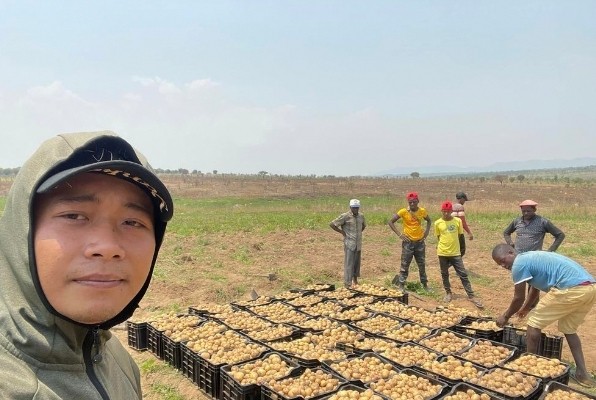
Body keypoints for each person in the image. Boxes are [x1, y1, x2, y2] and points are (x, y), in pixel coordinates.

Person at [0, 131, 174, 399]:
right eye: (74, 215)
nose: (108, 247)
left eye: (132, 222)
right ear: (23, 231)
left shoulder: (116, 359)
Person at [492, 244, 596, 388]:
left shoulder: (519, 264)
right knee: (569, 329)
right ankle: (582, 373)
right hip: (589, 288)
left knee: (534, 323)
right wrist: (526, 308)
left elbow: (518, 297)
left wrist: (505, 316)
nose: (503, 265)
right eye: (499, 264)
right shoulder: (531, 258)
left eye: (503, 260)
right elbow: (535, 288)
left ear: (511, 252)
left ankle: (530, 366)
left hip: (570, 288)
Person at [503, 199, 566, 309]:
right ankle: (520, 304)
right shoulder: (517, 221)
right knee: (520, 282)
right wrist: (510, 243)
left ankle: (532, 307)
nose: (526, 213)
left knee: (534, 284)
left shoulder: (542, 222)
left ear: (534, 210)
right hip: (518, 259)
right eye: (524, 211)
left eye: (529, 211)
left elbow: (560, 235)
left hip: (534, 260)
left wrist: (550, 251)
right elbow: (506, 232)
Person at [435, 201, 483, 308]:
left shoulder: (457, 221)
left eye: (448, 212)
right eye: (444, 212)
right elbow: (439, 237)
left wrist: (461, 251)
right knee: (444, 273)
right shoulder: (437, 223)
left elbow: (461, 237)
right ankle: (448, 293)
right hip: (442, 252)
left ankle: (471, 295)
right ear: (441, 211)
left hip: (455, 253)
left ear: (451, 211)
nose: (446, 214)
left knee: (463, 274)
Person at [388, 191, 431, 291]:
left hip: (420, 242)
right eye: (410, 202)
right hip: (408, 243)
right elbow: (390, 222)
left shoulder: (422, 211)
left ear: (418, 201)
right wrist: (399, 234)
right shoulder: (403, 211)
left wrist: (426, 233)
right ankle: (401, 285)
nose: (412, 204)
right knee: (405, 264)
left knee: (421, 264)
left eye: (414, 202)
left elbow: (429, 220)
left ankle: (425, 285)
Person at [330, 199, 366, 288]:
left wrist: (358, 234)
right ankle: (347, 283)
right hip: (349, 243)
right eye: (353, 208)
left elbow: (364, 226)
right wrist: (341, 232)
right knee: (349, 264)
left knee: (356, 264)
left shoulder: (361, 216)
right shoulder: (345, 216)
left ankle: (355, 281)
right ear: (350, 207)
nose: (355, 210)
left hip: (358, 244)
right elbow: (332, 224)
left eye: (357, 208)